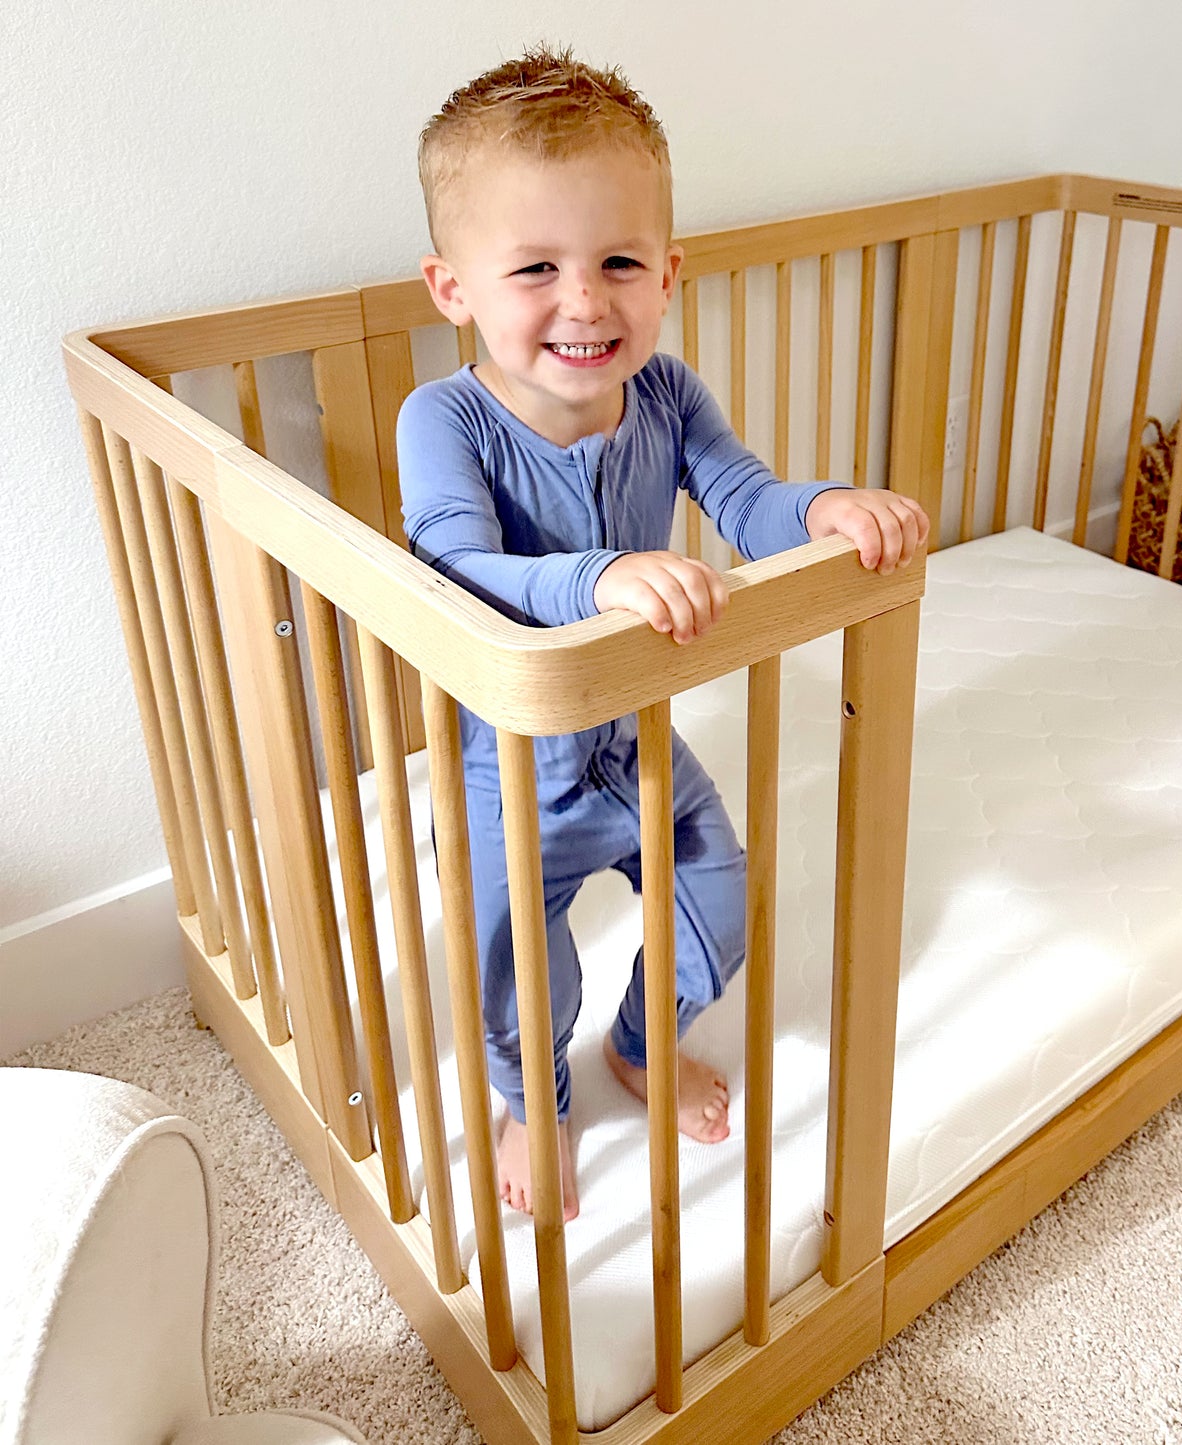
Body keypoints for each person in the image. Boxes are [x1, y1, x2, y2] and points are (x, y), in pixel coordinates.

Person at [398, 46, 927, 1219]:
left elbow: (744, 496)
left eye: (618, 261)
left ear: (668, 274)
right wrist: (603, 576)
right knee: (513, 969)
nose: (584, 299)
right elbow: (449, 561)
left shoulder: (672, 396)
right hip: (507, 768)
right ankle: (529, 1102)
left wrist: (822, 508)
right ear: (453, 288)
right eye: (534, 266)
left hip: (633, 744)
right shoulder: (443, 417)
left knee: (717, 896)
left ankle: (640, 1042)